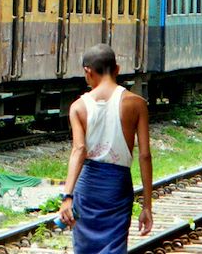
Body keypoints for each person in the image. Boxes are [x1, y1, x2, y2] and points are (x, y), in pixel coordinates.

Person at [58, 43, 153, 254]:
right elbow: (145, 156)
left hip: (87, 186)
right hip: (117, 187)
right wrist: (147, 206)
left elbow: (79, 150)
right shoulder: (136, 104)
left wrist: (67, 196)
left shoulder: (78, 107)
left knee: (85, 248)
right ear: (117, 69)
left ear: (87, 72)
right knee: (115, 247)